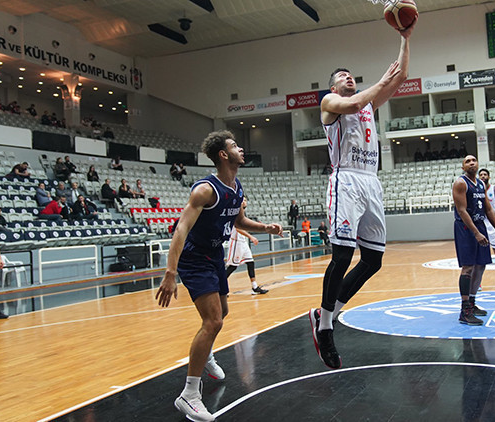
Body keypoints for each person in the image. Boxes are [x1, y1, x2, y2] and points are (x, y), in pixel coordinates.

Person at [308, 18, 416, 370]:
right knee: (342, 255)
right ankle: (326, 329)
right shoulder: (330, 103)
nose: (348, 77)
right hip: (347, 180)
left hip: (371, 181)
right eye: (342, 76)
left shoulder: (368, 103)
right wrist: (381, 82)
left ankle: (326, 314)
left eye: (351, 75)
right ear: (332, 86)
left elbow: (401, 76)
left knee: (373, 260)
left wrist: (405, 38)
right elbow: (354, 104)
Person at [156, 130, 282, 422]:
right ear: (223, 155)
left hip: (214, 255)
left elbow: (239, 220)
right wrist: (170, 272)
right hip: (194, 257)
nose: (241, 149)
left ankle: (206, 353)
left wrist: (265, 227)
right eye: (235, 146)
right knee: (213, 321)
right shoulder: (205, 190)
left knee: (221, 313)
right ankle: (189, 394)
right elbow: (181, 229)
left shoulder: (236, 186)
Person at [454, 157, 495, 326]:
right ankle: (464, 311)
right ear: (463, 167)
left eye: (474, 160)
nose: (472, 163)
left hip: (480, 224)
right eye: (468, 161)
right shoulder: (460, 183)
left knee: (480, 265)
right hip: (465, 228)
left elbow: (488, 209)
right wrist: (476, 233)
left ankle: (472, 302)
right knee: (468, 267)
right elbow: (462, 211)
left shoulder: (480, 184)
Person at [225, 198, 268, 295]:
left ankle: (255, 287)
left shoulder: (243, 213)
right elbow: (238, 228)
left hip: (243, 242)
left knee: (250, 263)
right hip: (236, 242)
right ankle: (221, 287)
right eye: (243, 200)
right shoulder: (235, 212)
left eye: (246, 200)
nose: (244, 202)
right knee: (232, 267)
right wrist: (251, 237)